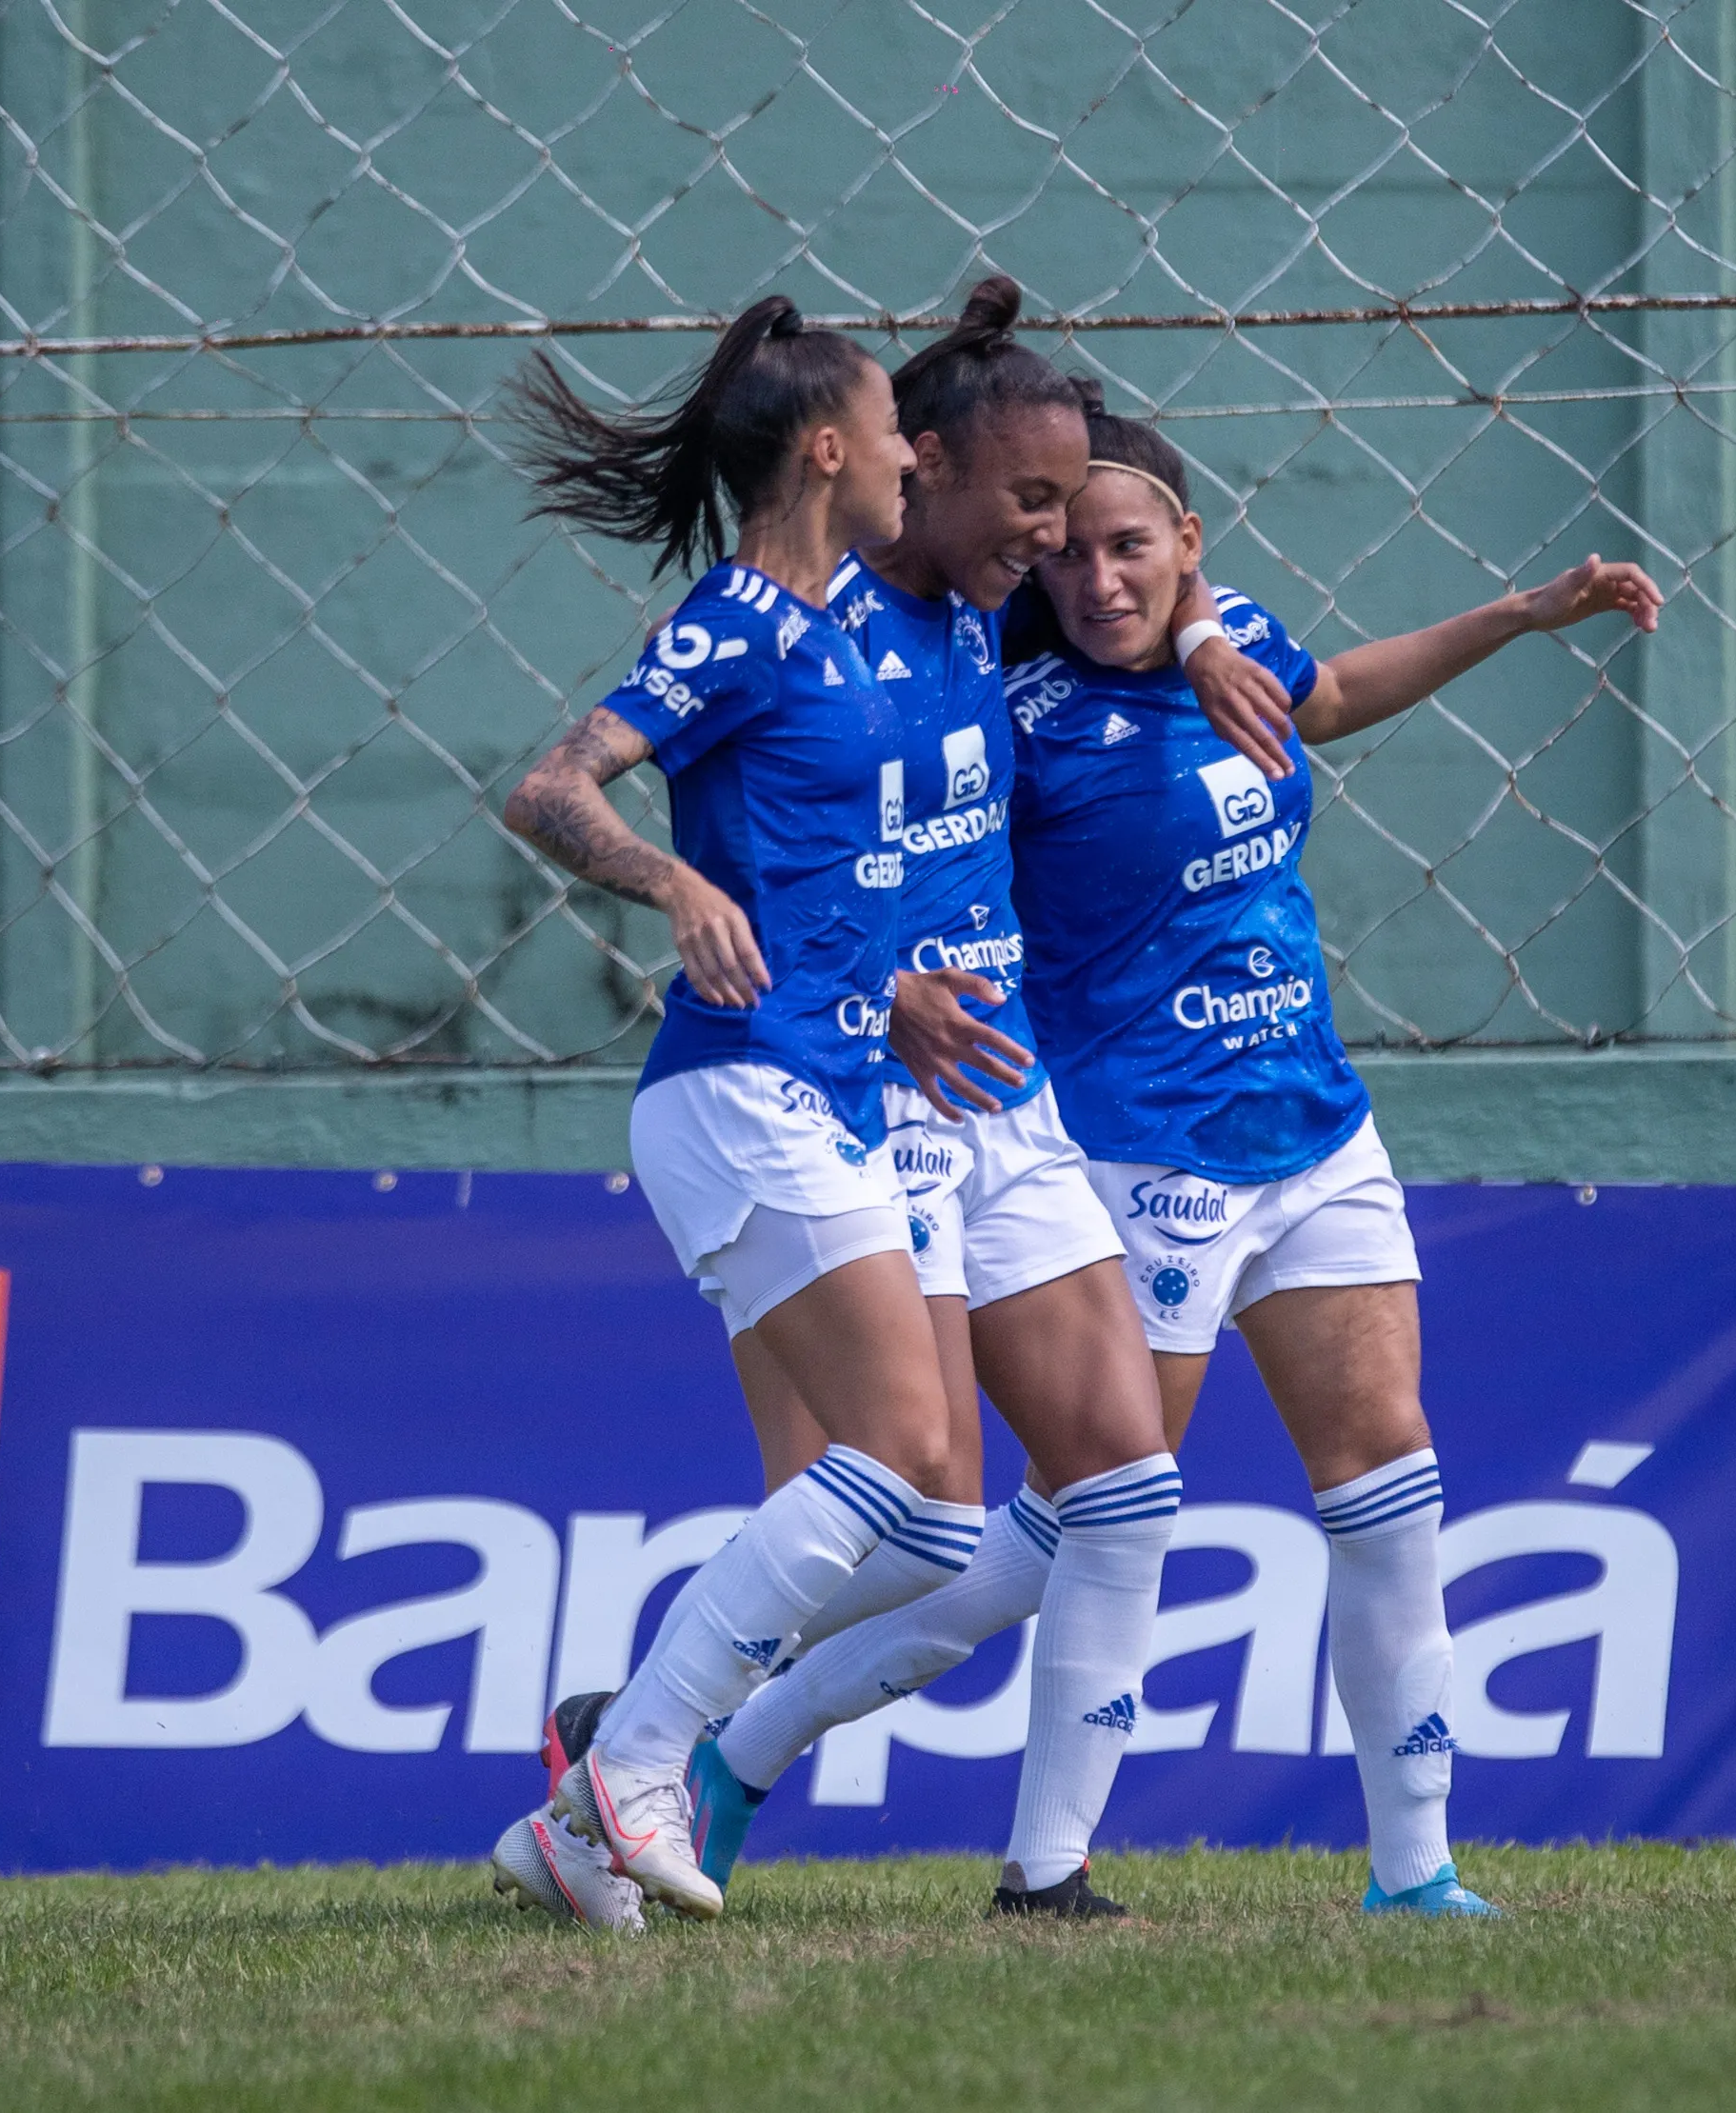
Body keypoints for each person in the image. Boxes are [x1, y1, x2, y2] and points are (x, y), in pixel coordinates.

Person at [632, 384, 1662, 1918]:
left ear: (1188, 540)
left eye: (1126, 547)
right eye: (1060, 551)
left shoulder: (1225, 630)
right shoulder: (1016, 694)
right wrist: (883, 989)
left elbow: (1326, 695)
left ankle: (1414, 1871)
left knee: (1389, 1479)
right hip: (1134, 1150)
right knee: (1067, 1521)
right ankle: (765, 1750)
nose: (1091, 575)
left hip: (1312, 1124)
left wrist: (1516, 615)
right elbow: (895, 832)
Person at [517, 280, 1291, 1924]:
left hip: (989, 1089)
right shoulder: (790, 617)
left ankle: (1036, 1872)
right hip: (843, 1091)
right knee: (904, 1490)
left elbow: (1144, 557)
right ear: (897, 466)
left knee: (1109, 1485)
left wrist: (1210, 624)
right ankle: (646, 1755)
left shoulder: (985, 598)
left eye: (1076, 513)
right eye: (1031, 507)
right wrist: (854, 980)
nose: (1066, 544)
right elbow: (595, 788)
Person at [483, 297, 983, 1927]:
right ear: (828, 450)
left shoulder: (834, 624)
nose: (918, 452)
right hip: (739, 1090)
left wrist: (886, 988)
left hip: (822, 1088)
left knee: (925, 1528)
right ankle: (638, 1759)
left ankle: (583, 1797)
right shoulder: (747, 620)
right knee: (905, 1461)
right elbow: (553, 785)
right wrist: (672, 875)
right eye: (893, 431)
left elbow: (816, 860)